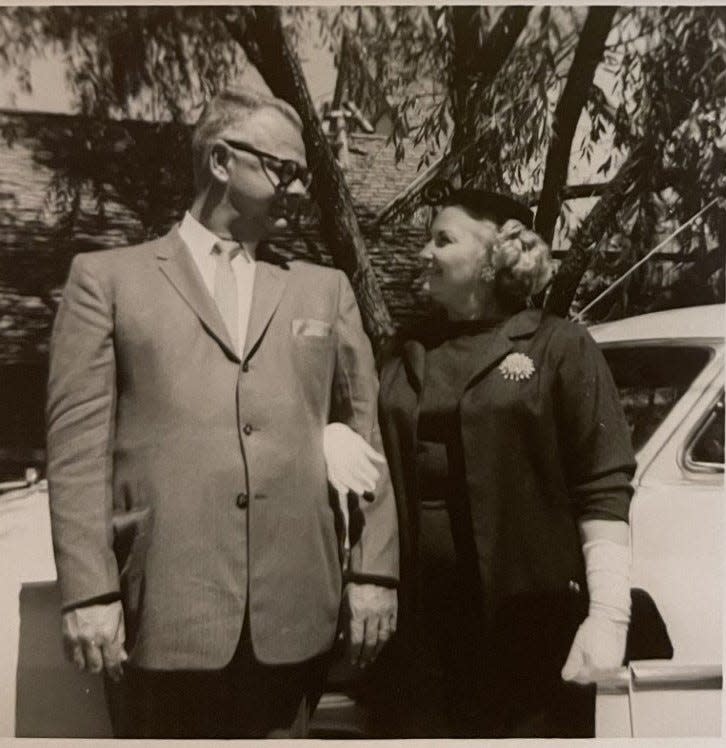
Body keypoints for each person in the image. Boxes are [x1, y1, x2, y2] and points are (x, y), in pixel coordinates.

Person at [45, 87, 398, 739]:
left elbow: (365, 438)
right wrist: (90, 592)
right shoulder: (106, 280)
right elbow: (76, 453)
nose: (296, 188)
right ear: (219, 161)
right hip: (163, 607)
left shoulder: (325, 289)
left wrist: (374, 572)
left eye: (302, 174)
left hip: (294, 611)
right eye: (282, 169)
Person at [373, 185, 636, 737]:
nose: (424, 253)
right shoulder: (404, 349)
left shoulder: (557, 345)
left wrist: (609, 614)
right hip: (417, 629)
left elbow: (604, 483)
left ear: (493, 260)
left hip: (526, 627)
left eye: (442, 240)